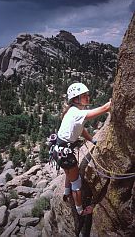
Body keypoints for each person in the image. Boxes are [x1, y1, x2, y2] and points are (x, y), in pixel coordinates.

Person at [54, 82, 111, 217]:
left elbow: (81, 129)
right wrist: (110, 105)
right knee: (77, 182)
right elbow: (99, 111)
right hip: (66, 154)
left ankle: (66, 193)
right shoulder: (75, 113)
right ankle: (80, 211)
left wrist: (91, 140)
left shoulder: (73, 111)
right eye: (84, 96)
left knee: (69, 173)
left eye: (87, 95)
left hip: (59, 151)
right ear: (75, 99)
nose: (87, 97)